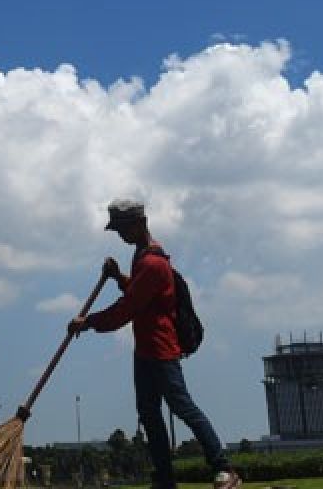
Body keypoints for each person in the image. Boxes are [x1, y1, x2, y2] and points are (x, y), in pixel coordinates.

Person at [68, 199, 242, 489]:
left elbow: (127, 309)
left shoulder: (152, 263)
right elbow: (139, 294)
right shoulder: (142, 257)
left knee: (182, 407)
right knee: (149, 416)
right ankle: (164, 479)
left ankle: (225, 469)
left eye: (123, 229)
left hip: (162, 350)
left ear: (139, 224)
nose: (120, 235)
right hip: (145, 352)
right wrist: (117, 277)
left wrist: (88, 323)